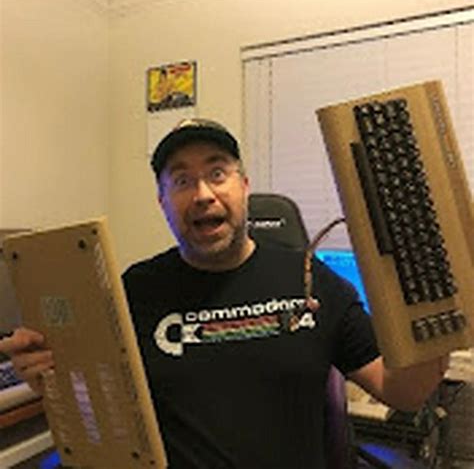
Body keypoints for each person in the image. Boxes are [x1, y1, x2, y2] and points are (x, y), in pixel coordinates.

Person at [0, 118, 449, 468]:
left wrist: (444, 308)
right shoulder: (133, 292)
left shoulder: (311, 279)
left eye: (217, 172)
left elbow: (405, 392)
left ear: (244, 187)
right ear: (162, 202)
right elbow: (102, 417)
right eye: (181, 180)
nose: (202, 194)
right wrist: (49, 379)